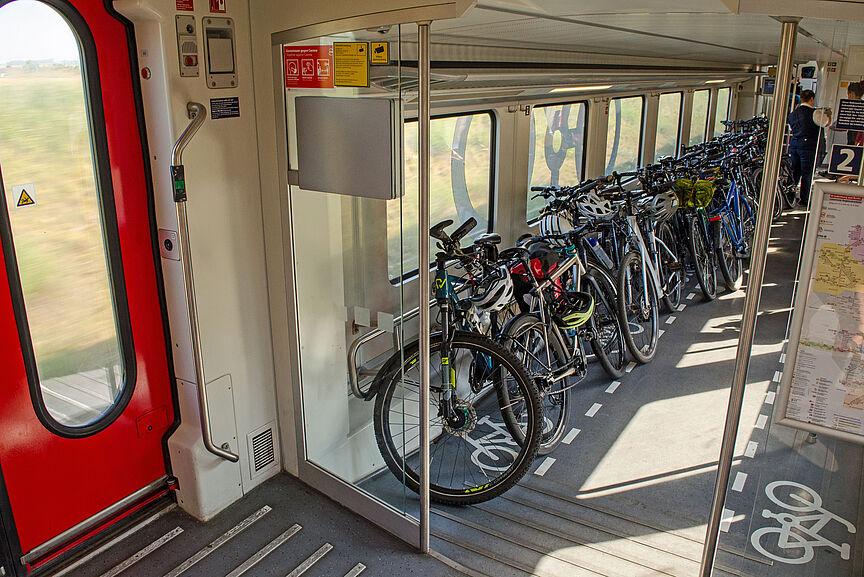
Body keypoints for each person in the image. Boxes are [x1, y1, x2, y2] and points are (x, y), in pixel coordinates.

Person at [787, 89, 827, 206]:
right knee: (807, 173)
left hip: (794, 144)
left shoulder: (793, 114)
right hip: (808, 145)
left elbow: (791, 129)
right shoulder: (815, 113)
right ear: (811, 99)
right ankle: (804, 199)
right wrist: (827, 114)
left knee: (795, 172)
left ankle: (790, 197)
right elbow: (825, 123)